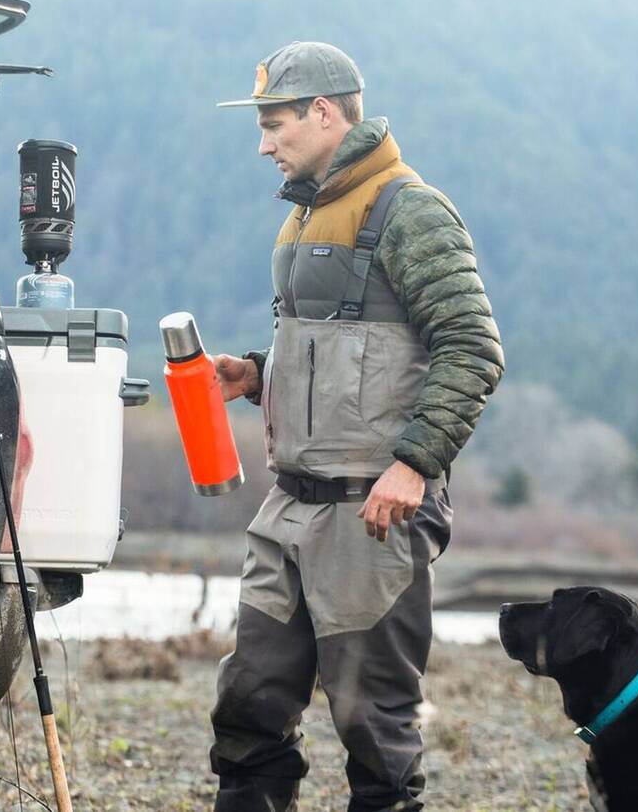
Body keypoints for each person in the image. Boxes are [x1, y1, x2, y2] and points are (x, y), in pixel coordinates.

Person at [210, 41, 504, 812]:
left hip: (372, 518)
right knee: (246, 710)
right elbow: (339, 352)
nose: (264, 143)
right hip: (290, 507)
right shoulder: (306, 212)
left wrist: (413, 465)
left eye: (275, 124)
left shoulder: (411, 210)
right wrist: (255, 373)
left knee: (374, 732)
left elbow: (472, 349)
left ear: (325, 112)